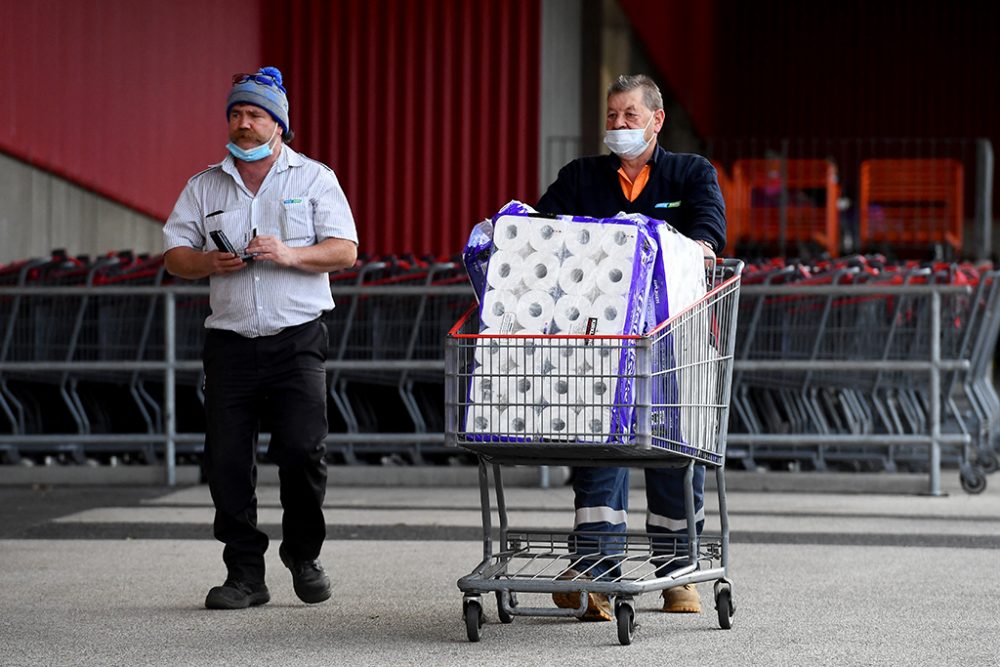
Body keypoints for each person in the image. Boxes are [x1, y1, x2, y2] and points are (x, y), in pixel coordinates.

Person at [162, 66, 359, 610]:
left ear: (279, 124)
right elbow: (174, 254)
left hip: (296, 338)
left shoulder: (314, 179)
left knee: (301, 449)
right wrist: (207, 262)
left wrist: (290, 254)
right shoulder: (204, 185)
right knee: (225, 460)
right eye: (236, 114)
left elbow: (345, 249)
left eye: (255, 115)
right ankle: (244, 573)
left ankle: (302, 552)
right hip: (229, 342)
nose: (243, 124)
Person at [536, 74, 726, 620]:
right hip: (600, 342)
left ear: (656, 120)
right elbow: (544, 231)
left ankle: (677, 571)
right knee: (599, 446)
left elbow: (708, 232)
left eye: (629, 116)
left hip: (674, 338)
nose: (618, 125)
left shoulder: (690, 173)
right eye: (612, 116)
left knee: (669, 451)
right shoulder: (582, 177)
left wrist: (698, 248)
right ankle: (597, 564)